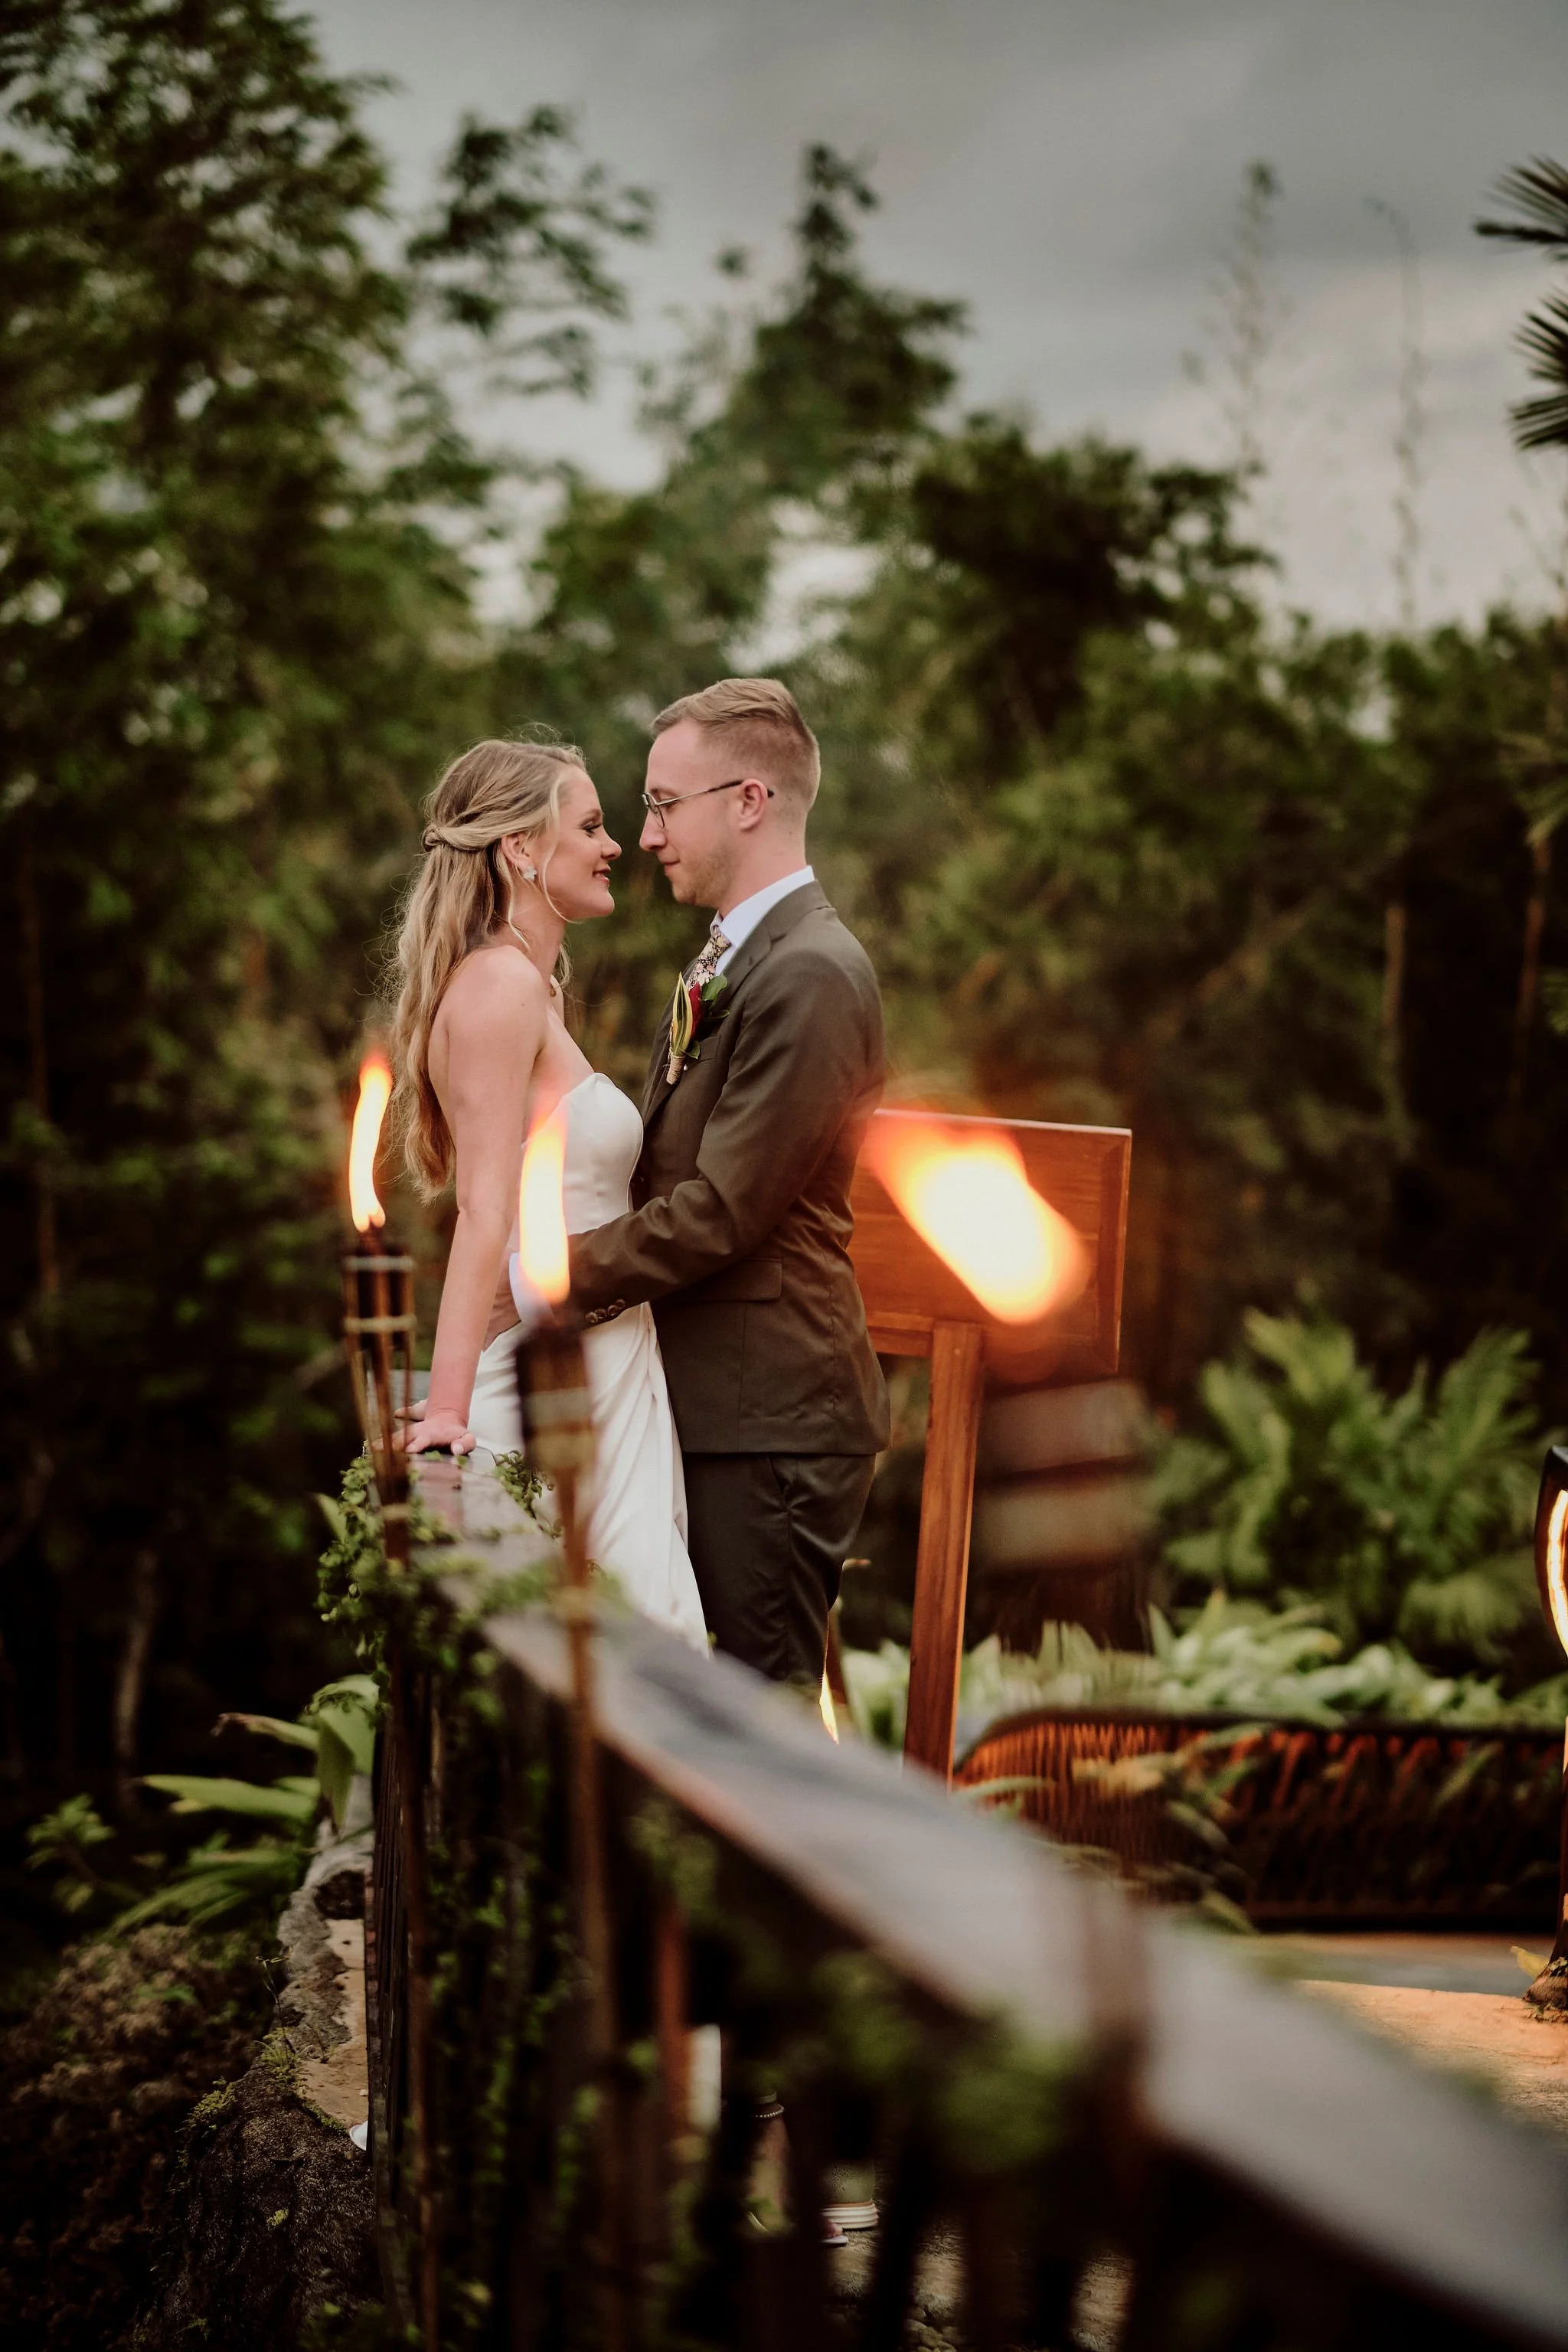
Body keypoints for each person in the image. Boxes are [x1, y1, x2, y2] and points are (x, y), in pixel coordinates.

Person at [541, 678, 890, 1690]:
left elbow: (723, 1210)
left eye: (662, 803)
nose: (646, 834)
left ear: (749, 800)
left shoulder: (814, 973)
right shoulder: (736, 959)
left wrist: (551, 1281)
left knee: (755, 1741)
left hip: (770, 1421)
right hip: (714, 1404)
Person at [388, 737, 707, 1651]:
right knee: (635, 1654)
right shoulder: (497, 987)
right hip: (555, 1378)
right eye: (594, 825)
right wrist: (448, 1407)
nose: (615, 846)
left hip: (604, 1365)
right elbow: (485, 1210)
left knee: (644, 1646)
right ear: (519, 848)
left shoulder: (530, 987)